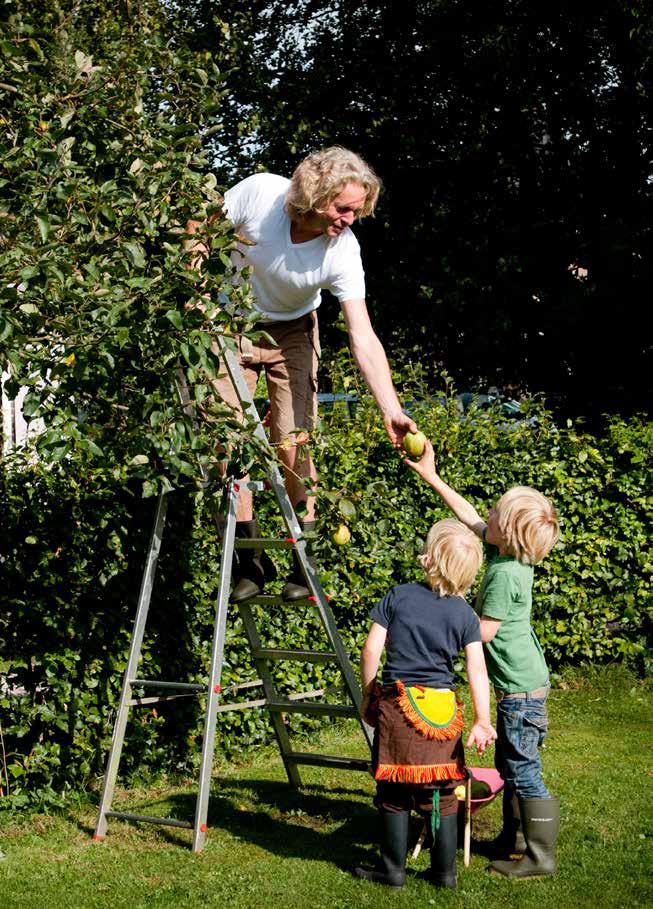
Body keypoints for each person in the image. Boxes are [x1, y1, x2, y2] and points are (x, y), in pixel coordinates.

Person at [186, 146, 416, 602]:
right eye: (343, 207)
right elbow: (199, 227)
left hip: (293, 332)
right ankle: (248, 557)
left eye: (358, 210)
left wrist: (392, 408)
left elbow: (363, 336)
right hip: (229, 326)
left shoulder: (342, 252)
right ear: (314, 194)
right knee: (225, 440)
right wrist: (195, 291)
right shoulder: (259, 195)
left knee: (295, 442)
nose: (351, 218)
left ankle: (301, 560)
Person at [406, 441, 561, 878]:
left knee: (523, 769)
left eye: (494, 513)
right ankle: (513, 840)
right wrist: (431, 475)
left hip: (519, 690)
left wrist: (440, 617)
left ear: (507, 531)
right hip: (527, 681)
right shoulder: (509, 555)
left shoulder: (502, 574)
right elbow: (468, 515)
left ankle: (540, 857)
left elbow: (484, 630)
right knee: (510, 764)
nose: (486, 515)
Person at [354, 519, 497, 891]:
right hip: (441, 714)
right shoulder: (466, 614)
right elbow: (477, 669)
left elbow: (371, 649)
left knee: (393, 792)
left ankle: (392, 871)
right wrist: (482, 719)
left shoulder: (398, 596)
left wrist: (369, 693)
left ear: (429, 558)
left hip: (399, 708)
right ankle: (444, 874)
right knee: (443, 795)